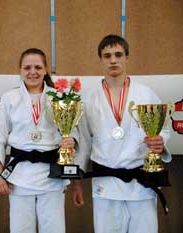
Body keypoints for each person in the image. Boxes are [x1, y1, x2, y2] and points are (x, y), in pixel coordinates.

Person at [72, 34, 171, 233]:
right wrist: (76, 183)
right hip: (106, 184)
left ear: (127, 57)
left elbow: (164, 129)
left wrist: (161, 142)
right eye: (107, 56)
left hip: (141, 183)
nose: (113, 60)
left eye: (118, 54)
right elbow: (83, 143)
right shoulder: (89, 99)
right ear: (100, 60)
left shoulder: (146, 94)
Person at [0, 48, 76, 233]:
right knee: (20, 229)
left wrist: (70, 141)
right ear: (20, 69)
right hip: (20, 175)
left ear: (46, 69)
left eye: (37, 67)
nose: (32, 72)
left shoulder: (59, 97)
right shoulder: (10, 98)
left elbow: (72, 130)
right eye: (27, 67)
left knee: (54, 229)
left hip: (52, 175)